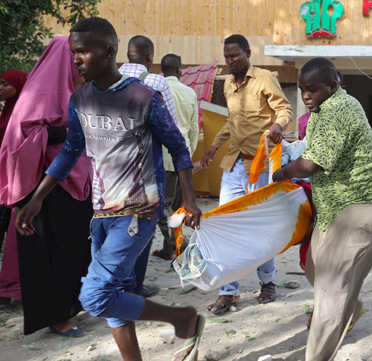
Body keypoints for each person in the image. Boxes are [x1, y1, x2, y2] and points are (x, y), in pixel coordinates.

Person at [16, 18, 204, 361]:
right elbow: (72, 150)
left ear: (109, 52)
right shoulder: (81, 98)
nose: (76, 60)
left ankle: (182, 317)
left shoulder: (142, 97)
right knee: (118, 293)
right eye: (74, 53)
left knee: (95, 295)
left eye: (83, 52)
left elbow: (178, 147)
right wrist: (37, 198)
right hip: (100, 211)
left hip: (139, 209)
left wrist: (189, 198)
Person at [272, 57, 372, 361]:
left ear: (332, 86)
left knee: (331, 292)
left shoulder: (338, 109)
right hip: (335, 208)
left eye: (312, 89)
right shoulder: (322, 111)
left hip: (361, 205)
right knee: (314, 267)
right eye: (301, 90)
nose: (306, 96)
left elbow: (310, 164)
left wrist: (282, 172)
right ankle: (351, 310)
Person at [0, 38, 92, 337]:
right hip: (44, 187)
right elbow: (19, 139)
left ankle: (70, 306)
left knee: (73, 249)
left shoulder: (75, 89)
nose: (79, 62)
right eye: (75, 56)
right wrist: (65, 131)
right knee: (47, 254)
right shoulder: (39, 93)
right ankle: (53, 316)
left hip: (74, 180)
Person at [200, 34, 292, 314]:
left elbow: (284, 108)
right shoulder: (228, 83)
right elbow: (232, 120)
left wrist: (278, 126)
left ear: (247, 53)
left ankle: (267, 282)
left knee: (259, 229)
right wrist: (213, 147)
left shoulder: (264, 78)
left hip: (262, 167)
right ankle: (229, 291)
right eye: (227, 56)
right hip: (233, 166)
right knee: (226, 227)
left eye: (234, 56)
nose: (230, 61)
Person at [119, 35, 179, 298]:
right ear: (149, 58)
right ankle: (136, 285)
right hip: (146, 168)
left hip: (113, 167)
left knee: (117, 225)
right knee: (144, 225)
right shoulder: (155, 82)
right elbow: (171, 125)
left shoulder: (110, 78)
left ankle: (117, 282)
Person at [153, 54, 199, 261]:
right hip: (183, 156)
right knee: (179, 206)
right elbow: (194, 129)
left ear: (162, 71)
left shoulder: (156, 90)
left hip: (162, 154)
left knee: (162, 206)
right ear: (180, 70)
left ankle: (175, 244)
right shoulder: (189, 93)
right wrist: (188, 155)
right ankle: (172, 246)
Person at [0, 69, 28, 307]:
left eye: (5, 83)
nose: (0, 87)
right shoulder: (9, 107)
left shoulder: (22, 109)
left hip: (13, 180)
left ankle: (10, 287)